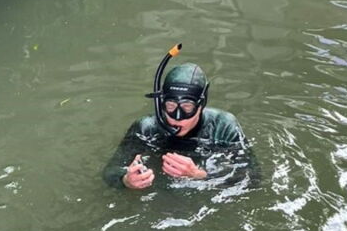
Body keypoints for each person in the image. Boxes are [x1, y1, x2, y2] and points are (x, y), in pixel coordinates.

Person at [102, 44, 251, 190]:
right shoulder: (146, 128)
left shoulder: (223, 126)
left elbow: (252, 177)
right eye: (171, 106)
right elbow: (110, 172)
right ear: (161, 103)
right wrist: (126, 180)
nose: (178, 117)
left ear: (201, 105)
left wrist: (199, 175)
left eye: (187, 107)